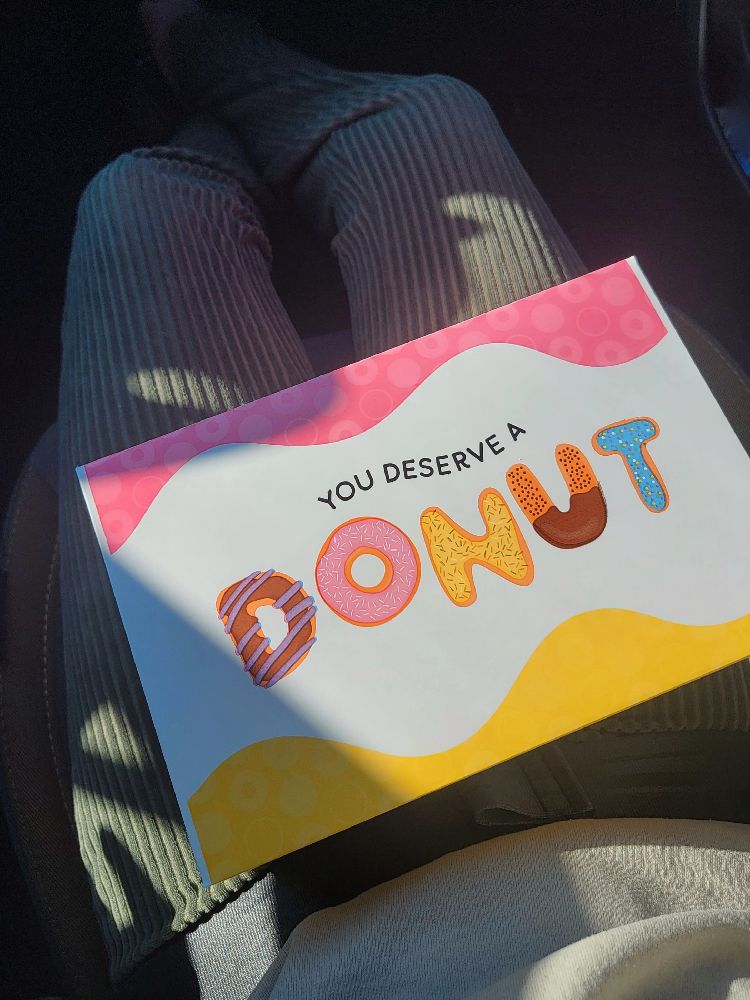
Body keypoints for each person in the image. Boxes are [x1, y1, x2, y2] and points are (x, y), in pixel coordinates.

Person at [59, 2, 750, 996]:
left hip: (278, 920)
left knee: (136, 201)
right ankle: (215, 66)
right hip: (701, 781)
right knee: (433, 117)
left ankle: (192, 99)